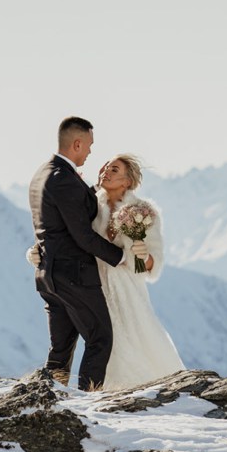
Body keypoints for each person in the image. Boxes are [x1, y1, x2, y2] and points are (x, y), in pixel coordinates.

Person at [28, 116, 124, 391]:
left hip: (48, 275)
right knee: (100, 338)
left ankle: (50, 400)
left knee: (61, 347)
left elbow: (57, 221)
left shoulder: (42, 174)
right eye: (90, 145)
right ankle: (87, 402)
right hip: (74, 275)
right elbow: (82, 235)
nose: (91, 151)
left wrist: (92, 190)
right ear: (78, 144)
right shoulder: (64, 179)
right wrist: (121, 257)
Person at [91, 153, 184, 391]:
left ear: (127, 181)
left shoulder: (143, 211)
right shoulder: (92, 206)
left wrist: (142, 255)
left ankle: (145, 388)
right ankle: (104, 388)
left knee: (138, 334)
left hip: (128, 286)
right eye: (106, 169)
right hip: (96, 282)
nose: (106, 173)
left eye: (114, 170)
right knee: (104, 338)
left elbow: (153, 265)